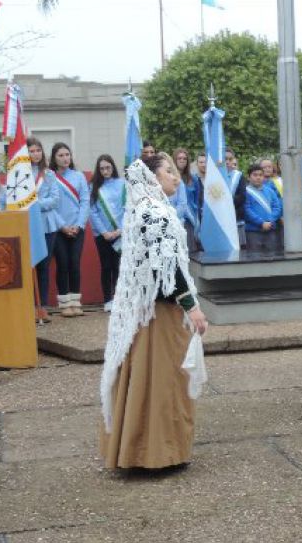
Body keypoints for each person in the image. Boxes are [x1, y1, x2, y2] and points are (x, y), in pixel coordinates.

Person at [99, 154, 208, 470]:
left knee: (143, 381)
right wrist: (193, 308)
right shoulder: (155, 213)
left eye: (176, 171)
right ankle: (160, 452)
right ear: (152, 178)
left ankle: (138, 448)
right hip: (160, 314)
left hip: (144, 311)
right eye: (169, 171)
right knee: (165, 381)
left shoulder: (141, 210)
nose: (176, 177)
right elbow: (168, 269)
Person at [50, 142, 90, 317]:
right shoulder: (50, 177)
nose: (65, 158)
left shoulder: (79, 176)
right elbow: (50, 205)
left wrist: (79, 225)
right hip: (59, 229)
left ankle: (75, 302)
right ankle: (64, 304)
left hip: (77, 227)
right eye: (61, 155)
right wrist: (63, 227)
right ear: (54, 158)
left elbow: (85, 201)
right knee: (63, 264)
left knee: (74, 264)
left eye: (67, 154)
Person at [27, 138, 61, 323]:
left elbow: (55, 200)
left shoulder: (48, 174)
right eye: (32, 150)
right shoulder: (20, 175)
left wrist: (34, 205)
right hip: (27, 226)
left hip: (47, 226)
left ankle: (43, 307)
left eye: (38, 150)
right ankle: (30, 306)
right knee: (28, 266)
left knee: (43, 267)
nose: (36, 154)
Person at [89, 155, 126, 311]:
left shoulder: (123, 184)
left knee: (119, 267)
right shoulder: (93, 187)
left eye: (108, 167)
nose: (105, 171)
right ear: (99, 170)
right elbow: (93, 211)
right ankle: (107, 300)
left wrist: (120, 230)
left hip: (121, 233)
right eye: (102, 168)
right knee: (106, 267)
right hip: (102, 235)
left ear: (113, 167)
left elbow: (127, 208)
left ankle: (119, 299)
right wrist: (104, 232)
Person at [244, 163, 283, 253]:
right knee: (255, 258)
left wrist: (269, 221)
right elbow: (247, 210)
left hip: (271, 229)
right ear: (249, 177)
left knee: (272, 258)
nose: (258, 177)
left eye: (260, 175)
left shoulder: (270, 191)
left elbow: (277, 207)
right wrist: (261, 223)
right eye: (255, 175)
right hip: (253, 231)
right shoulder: (246, 192)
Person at [225, 148, 247, 247]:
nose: (228, 162)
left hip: (236, 218)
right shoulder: (214, 177)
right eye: (225, 159)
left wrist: (225, 204)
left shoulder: (238, 176)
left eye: (230, 159)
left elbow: (242, 196)